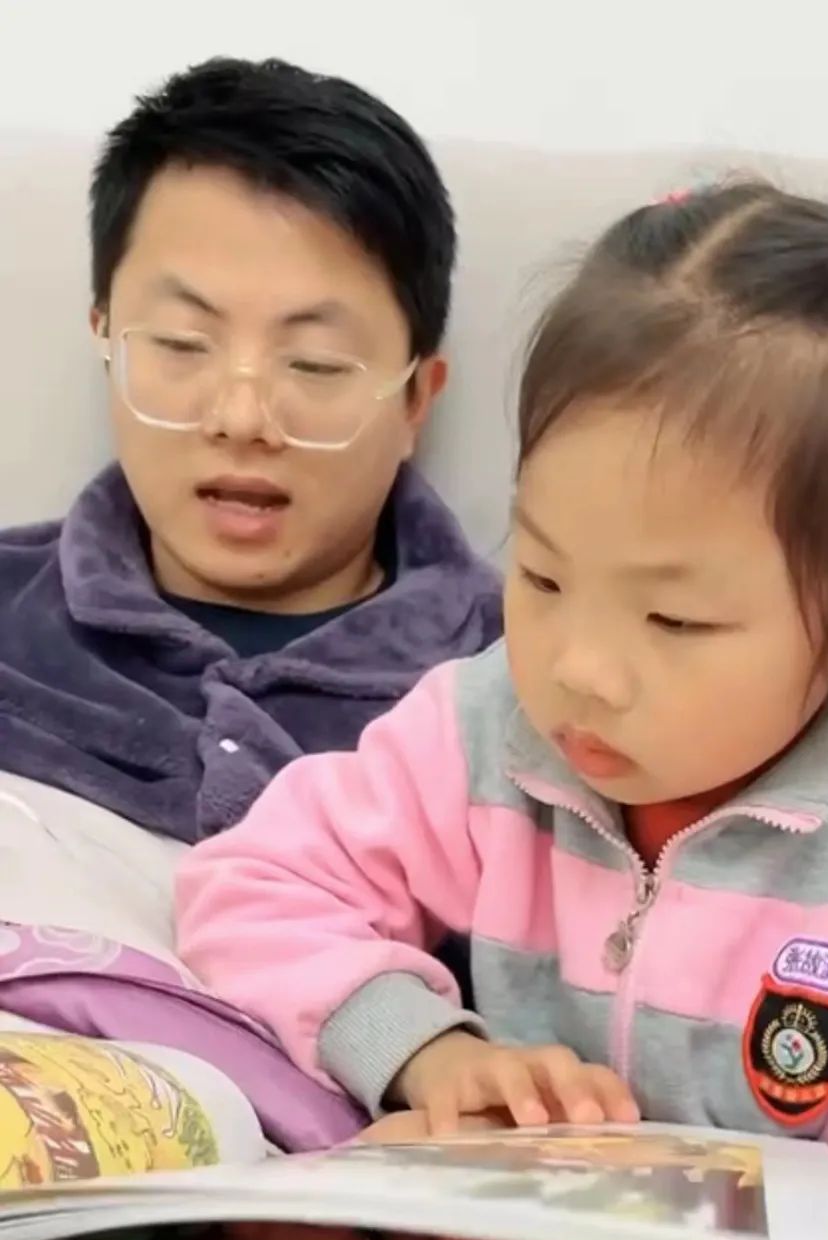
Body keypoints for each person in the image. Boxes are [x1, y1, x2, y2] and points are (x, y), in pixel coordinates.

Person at [176, 180, 828, 1240]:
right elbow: (256, 879)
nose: (582, 671)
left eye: (675, 619)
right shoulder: (486, 730)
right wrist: (426, 1049)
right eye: (544, 575)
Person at [0, 54, 501, 846]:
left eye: (315, 363)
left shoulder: (520, 691)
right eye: (181, 343)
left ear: (416, 398)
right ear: (107, 341)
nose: (241, 419)